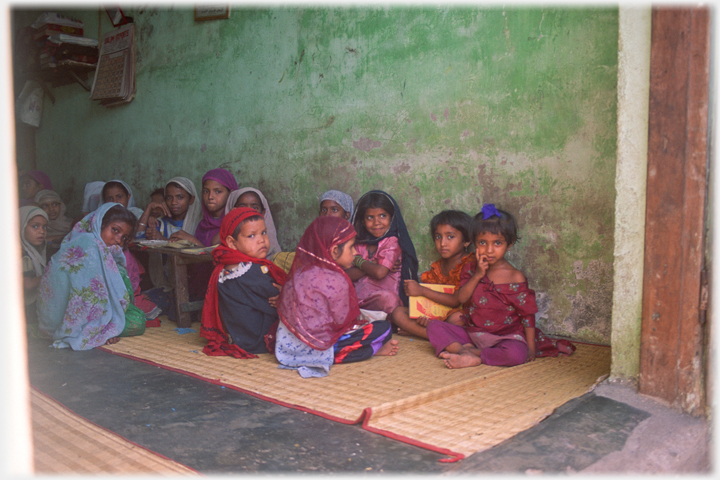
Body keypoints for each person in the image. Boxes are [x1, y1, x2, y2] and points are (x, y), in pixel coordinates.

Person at [428, 204, 575, 369]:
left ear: (509, 244)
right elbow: (460, 298)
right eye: (482, 242)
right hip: (474, 334)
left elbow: (527, 315)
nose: (489, 250)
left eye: (497, 243)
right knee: (434, 326)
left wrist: (531, 349)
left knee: (515, 354)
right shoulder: (470, 269)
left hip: (506, 337)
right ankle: (463, 351)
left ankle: (474, 355)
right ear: (474, 243)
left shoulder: (514, 277)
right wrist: (477, 275)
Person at [275, 216, 399, 378]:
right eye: (352, 247)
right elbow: (341, 323)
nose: (355, 252)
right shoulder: (335, 280)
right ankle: (369, 350)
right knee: (383, 328)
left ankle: (367, 349)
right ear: (334, 251)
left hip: (287, 347)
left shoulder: (301, 272)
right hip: (319, 348)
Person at [37, 203, 146, 350]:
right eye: (115, 230)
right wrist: (104, 330)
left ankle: (104, 326)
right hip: (62, 319)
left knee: (136, 317)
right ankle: (100, 328)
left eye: (124, 237)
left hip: (57, 320)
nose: (118, 240)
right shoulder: (88, 243)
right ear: (99, 223)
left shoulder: (99, 248)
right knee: (137, 321)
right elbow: (86, 298)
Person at [200, 207, 287, 358]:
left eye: (263, 233)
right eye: (251, 235)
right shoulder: (248, 270)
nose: (261, 240)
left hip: (241, 338)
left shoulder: (227, 266)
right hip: (258, 340)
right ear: (232, 243)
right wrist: (285, 295)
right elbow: (276, 295)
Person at [344, 190, 421, 337]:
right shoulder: (358, 244)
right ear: (362, 221)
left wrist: (358, 261)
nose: (377, 222)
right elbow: (347, 275)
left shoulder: (392, 242)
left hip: (381, 303)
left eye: (382, 216)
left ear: (392, 219)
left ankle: (385, 326)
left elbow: (380, 273)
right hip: (357, 301)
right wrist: (373, 264)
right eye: (370, 217)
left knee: (389, 299)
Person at [399, 210, 474, 337]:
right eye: (438, 237)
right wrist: (425, 316)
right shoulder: (438, 266)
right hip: (440, 314)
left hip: (462, 314)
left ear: (466, 241)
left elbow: (456, 301)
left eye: (450, 237)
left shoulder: (469, 264)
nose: (443, 243)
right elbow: (433, 299)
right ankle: (433, 334)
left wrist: (421, 290)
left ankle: (426, 334)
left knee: (457, 319)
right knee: (398, 312)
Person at [175, 168, 238, 247]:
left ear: (231, 194)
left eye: (218, 191)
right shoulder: (203, 225)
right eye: (206, 191)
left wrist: (192, 240)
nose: (210, 196)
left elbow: (219, 256)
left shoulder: (235, 223)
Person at [137, 177, 202, 240]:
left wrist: (162, 239)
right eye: (169, 198)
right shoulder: (160, 223)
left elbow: (204, 249)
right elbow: (137, 237)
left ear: (191, 200)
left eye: (180, 197)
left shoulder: (200, 224)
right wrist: (149, 207)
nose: (173, 202)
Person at [225, 187, 282, 258]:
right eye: (242, 207)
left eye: (255, 208)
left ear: (263, 212)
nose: (249, 211)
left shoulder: (275, 256)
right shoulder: (231, 263)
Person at [20, 206, 48, 325]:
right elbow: (28, 284)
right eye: (35, 226)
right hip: (26, 311)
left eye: (44, 227)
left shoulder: (37, 252)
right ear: (21, 227)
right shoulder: (22, 255)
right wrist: (51, 274)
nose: (41, 231)